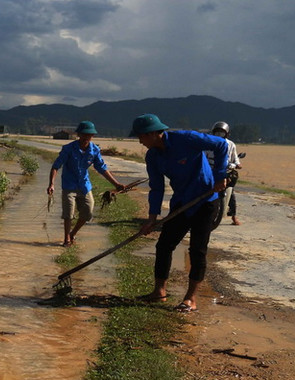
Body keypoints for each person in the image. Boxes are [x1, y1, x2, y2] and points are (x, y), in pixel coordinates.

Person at [131, 114, 228, 312]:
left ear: (152, 134)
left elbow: (221, 145)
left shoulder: (186, 139)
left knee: (197, 250)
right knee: (164, 245)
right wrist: (152, 218)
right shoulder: (152, 157)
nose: (139, 141)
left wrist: (220, 176)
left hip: (206, 200)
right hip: (182, 202)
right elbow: (156, 188)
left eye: (141, 136)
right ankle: (159, 291)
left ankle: (190, 298)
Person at [46, 120, 125, 246]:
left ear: (92, 136)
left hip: (84, 186)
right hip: (69, 186)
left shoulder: (94, 150)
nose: (86, 138)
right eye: (84, 135)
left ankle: (73, 233)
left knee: (88, 212)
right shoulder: (68, 149)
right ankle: (66, 239)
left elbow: (102, 168)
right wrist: (51, 184)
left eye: (89, 135)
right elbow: (56, 166)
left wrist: (116, 184)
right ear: (79, 135)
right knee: (68, 214)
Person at [211, 121, 243, 225]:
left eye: (222, 133)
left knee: (231, 193)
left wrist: (238, 164)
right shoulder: (209, 143)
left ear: (227, 134)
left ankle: (233, 216)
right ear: (213, 133)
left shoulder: (231, 144)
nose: (219, 135)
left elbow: (235, 157)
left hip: (226, 170)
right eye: (217, 133)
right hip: (211, 170)